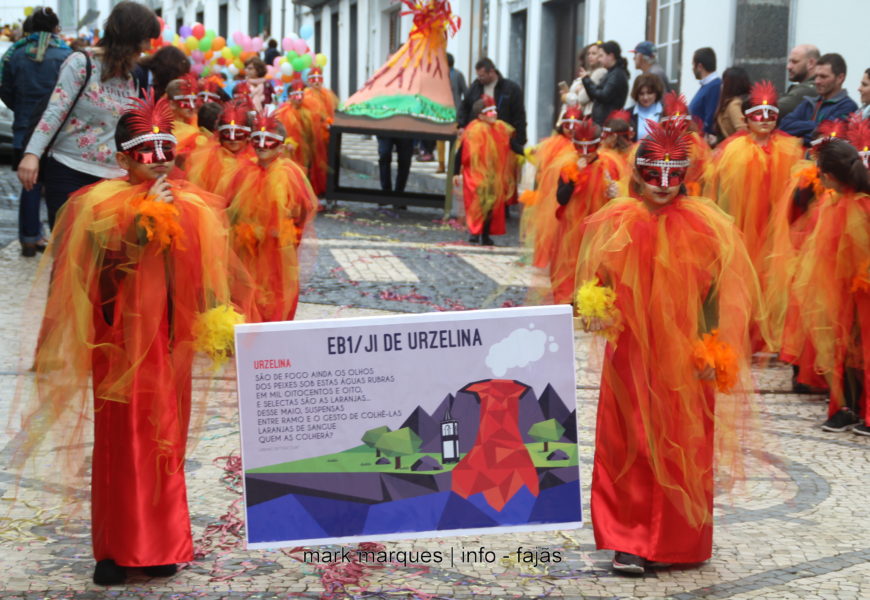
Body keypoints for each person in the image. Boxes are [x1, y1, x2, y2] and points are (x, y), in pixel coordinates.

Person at [23, 91, 240, 586]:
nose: (161, 162)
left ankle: (161, 546)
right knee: (122, 442)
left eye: (168, 151)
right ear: (122, 158)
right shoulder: (96, 206)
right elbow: (95, 277)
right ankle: (117, 548)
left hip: (168, 342)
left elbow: (204, 279)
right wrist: (142, 224)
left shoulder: (193, 207)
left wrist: (216, 322)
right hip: (120, 345)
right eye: (148, 152)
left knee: (166, 436)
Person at [575, 119, 760, 575]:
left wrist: (711, 349)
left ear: (686, 174)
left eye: (673, 173)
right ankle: (628, 540)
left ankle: (676, 541)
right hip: (633, 352)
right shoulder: (618, 222)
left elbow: (718, 292)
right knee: (631, 438)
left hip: (685, 355)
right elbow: (600, 282)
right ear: (637, 173)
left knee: (682, 438)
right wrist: (596, 305)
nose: (662, 184)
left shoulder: (705, 226)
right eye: (652, 173)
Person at [17, 1, 161, 229]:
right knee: (68, 255)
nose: (147, 47)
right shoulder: (81, 63)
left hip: (114, 180)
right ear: (130, 36)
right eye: (146, 39)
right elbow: (54, 112)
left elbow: (129, 130)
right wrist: (32, 154)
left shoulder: (131, 78)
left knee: (104, 258)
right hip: (69, 173)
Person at [709, 81, 803, 351]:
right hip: (741, 224)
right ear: (747, 118)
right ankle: (741, 329)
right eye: (757, 115)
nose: (764, 120)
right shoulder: (732, 150)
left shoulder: (790, 149)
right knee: (741, 273)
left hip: (775, 225)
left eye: (770, 114)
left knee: (770, 274)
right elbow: (720, 191)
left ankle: (765, 331)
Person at [787, 137, 869, 434]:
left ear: (831, 176)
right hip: (838, 293)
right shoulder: (831, 203)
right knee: (841, 349)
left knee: (865, 349)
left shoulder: (861, 206)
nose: (818, 178)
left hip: (862, 292)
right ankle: (846, 407)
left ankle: (866, 410)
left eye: (821, 173)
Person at [226, 111, 317, 322]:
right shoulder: (243, 173)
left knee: (276, 293)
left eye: (269, 140)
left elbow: (302, 211)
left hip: (277, 251)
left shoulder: (288, 175)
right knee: (249, 292)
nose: (261, 145)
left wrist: (284, 233)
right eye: (256, 138)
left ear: (281, 145)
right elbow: (231, 209)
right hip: (248, 250)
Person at [0, 6, 71, 256]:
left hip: (22, 128)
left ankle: (28, 238)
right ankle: (62, 239)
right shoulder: (66, 55)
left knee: (28, 185)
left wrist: (20, 109)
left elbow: (4, 89)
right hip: (57, 131)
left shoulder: (13, 54)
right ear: (55, 28)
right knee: (57, 186)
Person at [549, 118, 621, 303]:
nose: (585, 154)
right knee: (569, 266)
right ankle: (569, 302)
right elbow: (561, 198)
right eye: (580, 148)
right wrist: (574, 177)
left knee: (594, 266)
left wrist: (615, 191)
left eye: (590, 148)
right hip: (571, 230)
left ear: (598, 145)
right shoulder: (568, 166)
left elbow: (619, 198)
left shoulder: (608, 166)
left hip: (597, 229)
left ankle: (590, 303)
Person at [452, 95, 517, 245]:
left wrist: (526, 152)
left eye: (495, 110)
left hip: (493, 174)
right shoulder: (474, 130)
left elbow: (511, 144)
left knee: (490, 204)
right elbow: (461, 152)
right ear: (481, 115)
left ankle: (485, 234)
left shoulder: (500, 128)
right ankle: (475, 232)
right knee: (477, 202)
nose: (494, 113)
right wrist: (456, 171)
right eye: (490, 111)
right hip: (475, 174)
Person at [780, 53, 859, 145]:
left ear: (840, 78)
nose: (817, 81)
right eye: (816, 76)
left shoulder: (848, 106)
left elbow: (826, 138)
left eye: (823, 77)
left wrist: (799, 136)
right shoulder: (809, 102)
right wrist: (816, 126)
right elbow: (784, 125)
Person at [187, 100, 256, 200]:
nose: (232, 139)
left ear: (248, 135)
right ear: (219, 134)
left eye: (238, 133)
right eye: (227, 133)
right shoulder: (208, 161)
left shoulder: (256, 160)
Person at [458, 57, 527, 154]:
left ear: (491, 72)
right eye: (478, 76)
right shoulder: (475, 87)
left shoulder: (510, 89)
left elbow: (519, 115)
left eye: (482, 76)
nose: (479, 78)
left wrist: (520, 140)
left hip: (503, 140)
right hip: (479, 140)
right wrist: (461, 125)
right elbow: (464, 106)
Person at [578, 40, 629, 126]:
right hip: (601, 122)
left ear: (611, 56)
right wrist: (587, 81)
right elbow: (595, 96)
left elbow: (603, 96)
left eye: (601, 56)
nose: (599, 59)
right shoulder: (610, 72)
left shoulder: (617, 74)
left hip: (607, 123)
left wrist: (587, 81)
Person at [436, 52, 467, 173]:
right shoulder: (439, 75)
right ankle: (443, 164)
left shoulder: (457, 75)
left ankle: (451, 165)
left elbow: (465, 92)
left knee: (454, 139)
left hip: (454, 112)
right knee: (442, 139)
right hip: (444, 111)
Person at [560, 42, 606, 120]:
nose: (590, 56)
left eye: (594, 53)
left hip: (587, 116)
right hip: (579, 115)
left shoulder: (600, 72)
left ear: (601, 56)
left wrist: (566, 96)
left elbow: (582, 98)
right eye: (588, 54)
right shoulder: (588, 73)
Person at [779, 44, 820, 117]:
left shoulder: (809, 89)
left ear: (811, 63)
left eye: (794, 62)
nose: (788, 67)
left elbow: (774, 110)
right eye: (789, 61)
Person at [712, 66, 750, 145]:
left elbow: (743, 131)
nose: (721, 86)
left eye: (723, 82)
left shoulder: (734, 105)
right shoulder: (737, 102)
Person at [688, 47, 721, 136]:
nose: (692, 69)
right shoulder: (707, 85)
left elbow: (710, 118)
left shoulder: (714, 86)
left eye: (693, 65)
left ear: (699, 66)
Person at [627, 73, 664, 140]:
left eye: (649, 93)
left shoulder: (666, 113)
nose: (645, 97)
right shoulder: (627, 114)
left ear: (656, 93)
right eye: (641, 94)